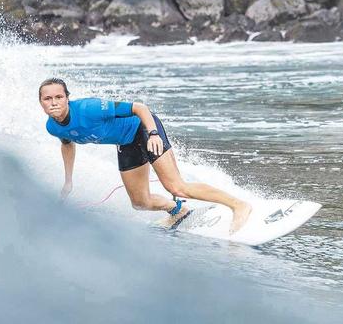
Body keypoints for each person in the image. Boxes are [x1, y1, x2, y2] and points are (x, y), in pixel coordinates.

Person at [39, 78, 251, 233]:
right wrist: (68, 181)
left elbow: (139, 108)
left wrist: (153, 134)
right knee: (140, 202)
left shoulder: (89, 108)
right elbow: (67, 145)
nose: (54, 102)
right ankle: (179, 211)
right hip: (126, 142)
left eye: (59, 96)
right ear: (41, 102)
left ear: (68, 98)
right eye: (48, 98)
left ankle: (238, 205)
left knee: (176, 186)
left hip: (143, 129)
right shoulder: (53, 127)